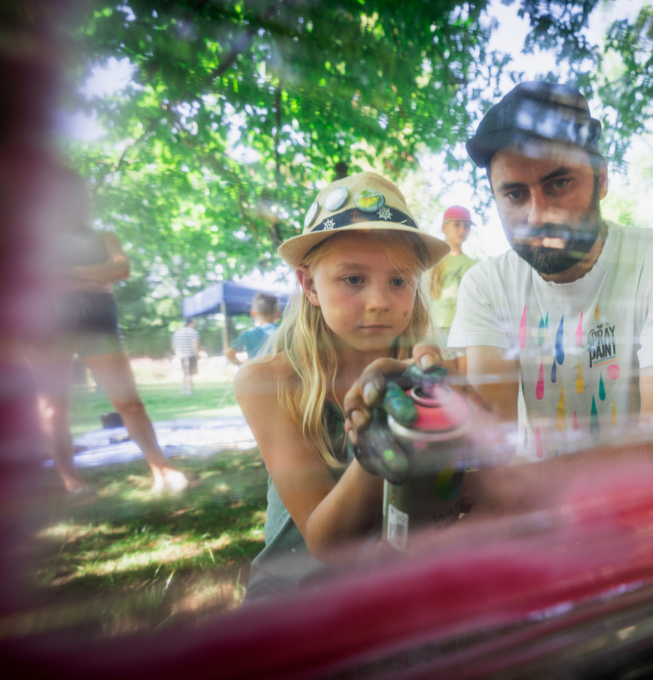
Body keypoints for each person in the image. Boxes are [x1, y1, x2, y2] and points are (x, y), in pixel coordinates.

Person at [443, 81, 653, 461]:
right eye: (515, 194)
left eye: (559, 183)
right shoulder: (487, 285)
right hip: (532, 498)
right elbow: (493, 452)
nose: (538, 216)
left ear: (602, 179)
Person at [233, 171, 450, 600]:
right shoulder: (267, 382)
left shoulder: (425, 374)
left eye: (399, 280)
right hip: (296, 606)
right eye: (353, 279)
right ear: (309, 285)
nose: (379, 302)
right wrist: (382, 438)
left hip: (396, 596)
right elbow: (326, 543)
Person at [36, 171, 188, 495]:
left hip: (98, 324)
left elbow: (120, 269)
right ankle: (72, 481)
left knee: (130, 403)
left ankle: (162, 470)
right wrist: (95, 278)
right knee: (53, 406)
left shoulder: (105, 238)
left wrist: (64, 272)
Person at [428, 206, 479, 335]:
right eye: (457, 224)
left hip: (466, 329)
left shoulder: (475, 265)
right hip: (436, 329)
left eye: (466, 226)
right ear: (444, 228)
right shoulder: (432, 261)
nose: (462, 230)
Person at [225, 292, 280, 366]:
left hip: (255, 372)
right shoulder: (285, 331)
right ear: (278, 314)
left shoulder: (248, 334)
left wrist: (244, 367)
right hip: (281, 372)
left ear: (253, 313)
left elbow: (229, 354)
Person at [171, 319, 201, 395]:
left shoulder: (177, 332)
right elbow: (195, 345)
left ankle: (183, 389)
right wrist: (197, 354)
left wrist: (177, 353)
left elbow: (173, 345)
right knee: (190, 373)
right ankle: (189, 391)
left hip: (180, 355)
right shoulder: (194, 332)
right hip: (190, 355)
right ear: (190, 323)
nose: (195, 325)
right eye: (194, 323)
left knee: (185, 373)